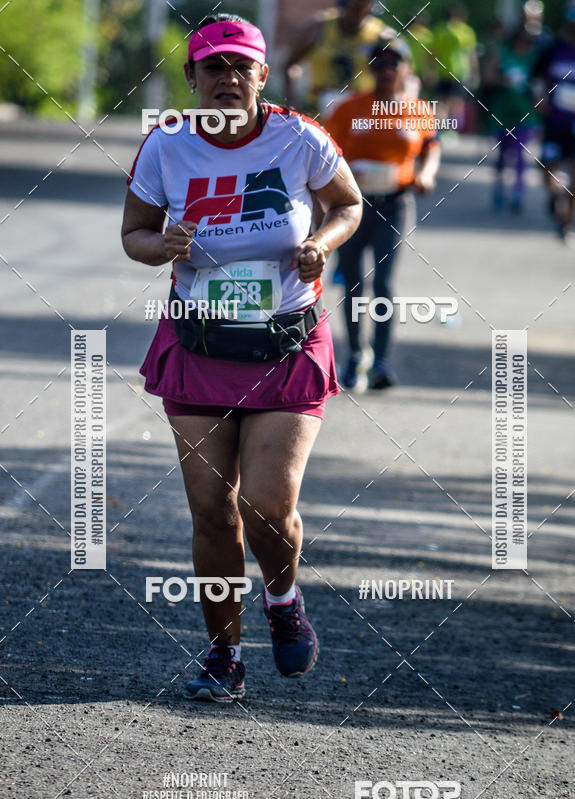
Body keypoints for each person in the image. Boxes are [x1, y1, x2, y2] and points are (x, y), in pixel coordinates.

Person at [121, 14, 362, 701]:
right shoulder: (166, 147)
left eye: (240, 67)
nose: (228, 79)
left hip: (285, 340)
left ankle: (283, 600)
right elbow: (133, 233)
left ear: (262, 73)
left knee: (265, 503)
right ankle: (224, 656)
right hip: (200, 341)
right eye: (213, 67)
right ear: (192, 78)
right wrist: (160, 245)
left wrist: (324, 241)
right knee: (210, 511)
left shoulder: (299, 136)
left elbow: (349, 204)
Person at [324, 35, 441, 390]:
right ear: (370, 68)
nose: (386, 70)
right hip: (353, 204)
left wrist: (426, 174)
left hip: (396, 201)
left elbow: (431, 147)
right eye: (379, 63)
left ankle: (382, 361)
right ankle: (356, 356)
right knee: (353, 282)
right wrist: (343, 174)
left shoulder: (418, 109)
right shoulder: (349, 108)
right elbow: (326, 151)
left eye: (394, 63)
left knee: (385, 283)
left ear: (406, 69)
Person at [532, 0, 575, 243]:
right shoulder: (554, 49)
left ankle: (568, 225)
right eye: (574, 23)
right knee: (549, 172)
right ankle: (556, 196)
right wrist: (540, 100)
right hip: (554, 122)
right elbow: (536, 78)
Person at [284, 0, 386, 116]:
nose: (356, 17)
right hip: (319, 110)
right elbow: (290, 65)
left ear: (371, 8)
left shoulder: (380, 35)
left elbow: (397, 70)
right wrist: (292, 103)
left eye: (362, 10)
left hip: (360, 114)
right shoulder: (319, 27)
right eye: (353, 9)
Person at [489, 27, 540, 213]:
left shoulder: (536, 58)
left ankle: (518, 193)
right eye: (522, 40)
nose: (525, 45)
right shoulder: (503, 54)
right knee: (502, 157)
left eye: (529, 41)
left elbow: (544, 82)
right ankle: (499, 189)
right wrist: (503, 81)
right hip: (502, 114)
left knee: (521, 156)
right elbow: (488, 77)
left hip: (526, 115)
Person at [431, 5, 479, 132]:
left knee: (442, 101)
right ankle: (451, 130)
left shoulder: (438, 30)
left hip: (444, 70)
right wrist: (475, 73)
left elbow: (432, 53)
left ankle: (440, 129)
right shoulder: (466, 31)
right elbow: (471, 54)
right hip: (460, 71)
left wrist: (430, 70)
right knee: (456, 102)